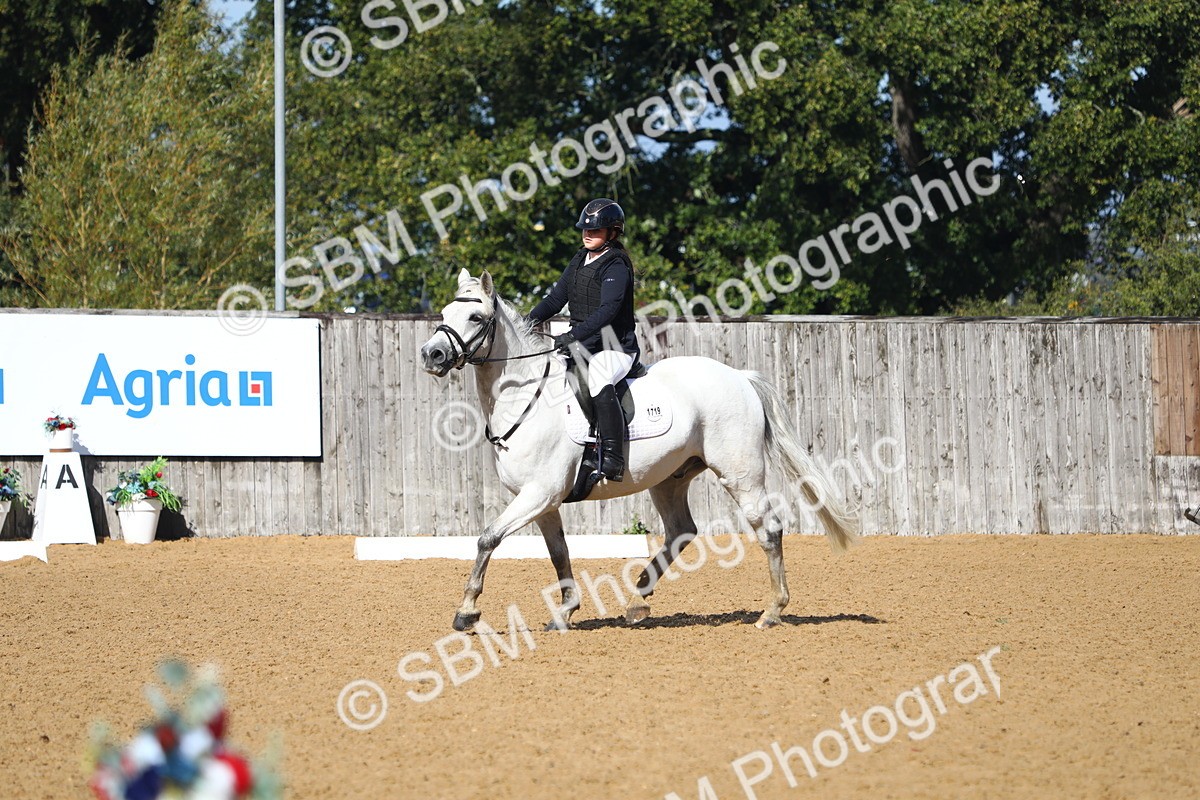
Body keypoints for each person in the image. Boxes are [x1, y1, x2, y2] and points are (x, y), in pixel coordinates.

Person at [528, 198, 640, 482]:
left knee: (599, 377)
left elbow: (608, 311)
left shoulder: (616, 265)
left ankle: (613, 457)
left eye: (596, 231)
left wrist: (572, 336)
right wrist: (526, 323)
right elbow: (555, 299)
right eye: (585, 230)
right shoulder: (579, 259)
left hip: (614, 347)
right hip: (582, 344)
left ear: (612, 233)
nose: (587, 235)